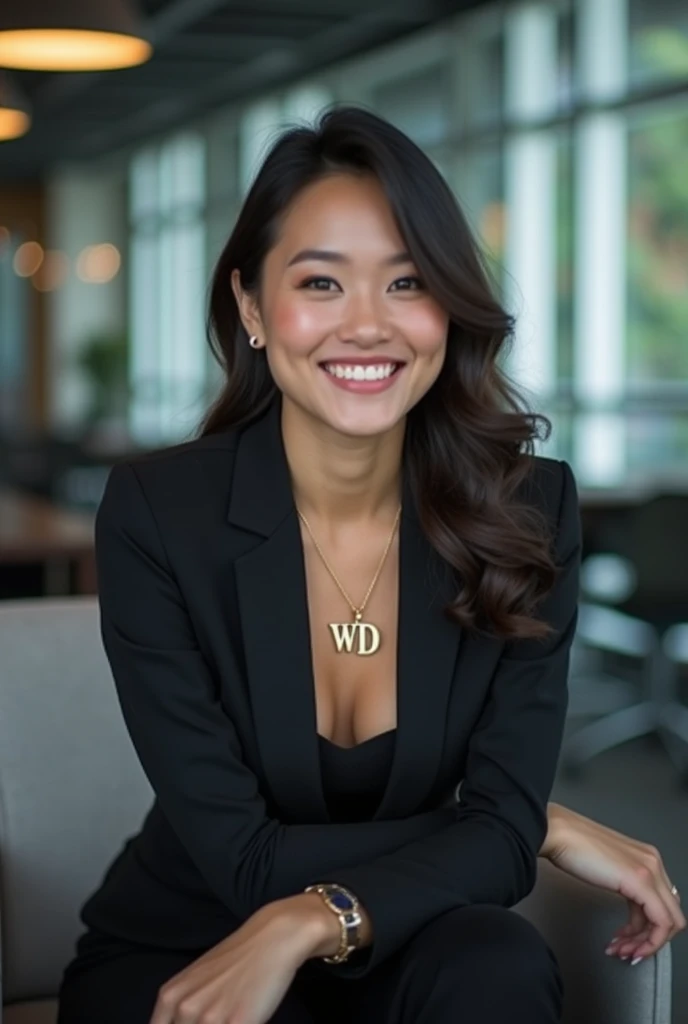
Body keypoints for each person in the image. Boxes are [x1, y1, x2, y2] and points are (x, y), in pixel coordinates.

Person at [57, 106, 685, 1024]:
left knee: (499, 968)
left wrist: (315, 920)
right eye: (320, 282)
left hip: (415, 929)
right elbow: (245, 862)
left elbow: (494, 832)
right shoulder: (160, 516)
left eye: (407, 283)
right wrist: (529, 828)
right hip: (196, 933)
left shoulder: (527, 513)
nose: (367, 326)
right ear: (250, 306)